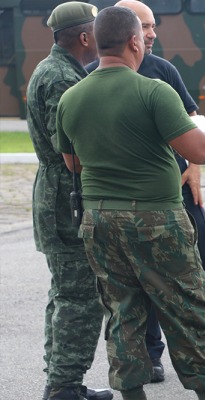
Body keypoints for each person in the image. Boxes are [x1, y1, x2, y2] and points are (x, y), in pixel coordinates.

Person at [55, 6, 205, 400]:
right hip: (156, 219)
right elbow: (201, 149)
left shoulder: (71, 97)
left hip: (100, 220)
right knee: (189, 311)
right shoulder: (154, 90)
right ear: (134, 42)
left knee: (123, 313)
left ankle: (132, 394)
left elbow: (72, 162)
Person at [85, 0, 205, 384]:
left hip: (175, 194)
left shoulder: (163, 71)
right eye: (144, 27)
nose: (151, 33)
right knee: (138, 290)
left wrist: (194, 169)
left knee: (204, 271)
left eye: (153, 25)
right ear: (129, 35)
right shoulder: (90, 79)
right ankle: (165, 360)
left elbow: (194, 120)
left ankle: (198, 350)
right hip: (146, 207)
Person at [25, 2, 114, 400]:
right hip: (66, 197)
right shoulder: (61, 77)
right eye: (95, 31)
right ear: (84, 37)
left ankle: (61, 380)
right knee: (79, 297)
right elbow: (70, 148)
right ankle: (64, 385)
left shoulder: (57, 70)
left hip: (59, 193)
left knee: (64, 293)